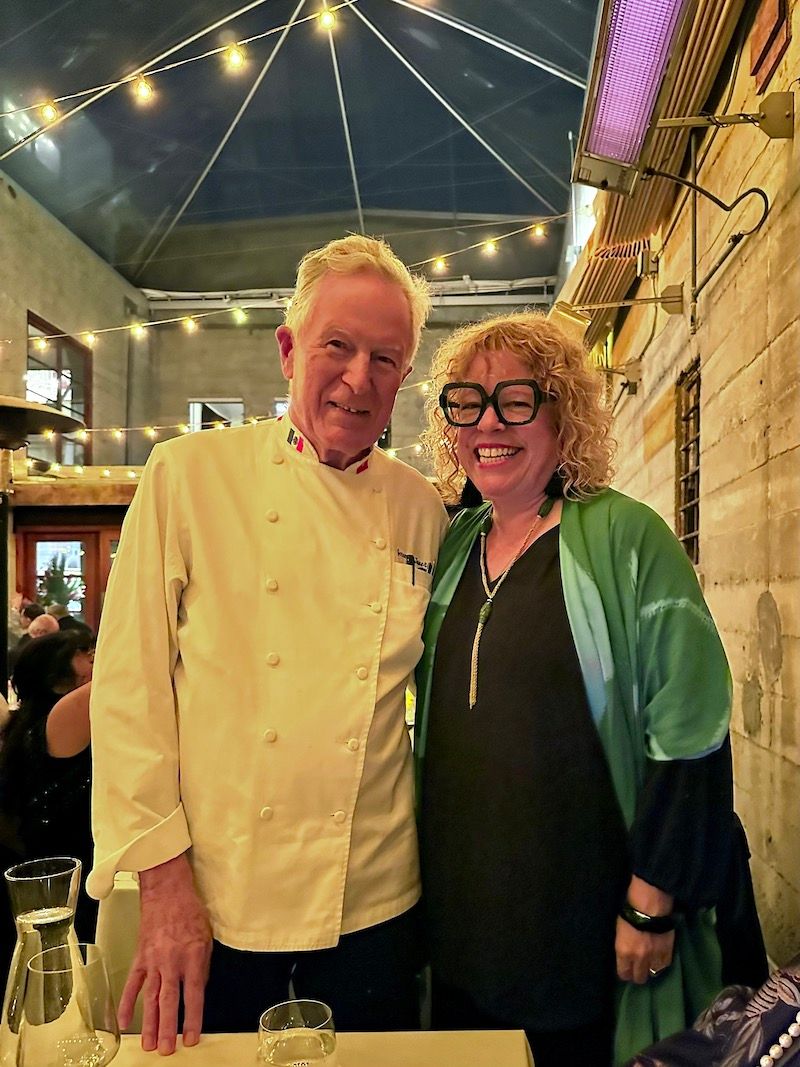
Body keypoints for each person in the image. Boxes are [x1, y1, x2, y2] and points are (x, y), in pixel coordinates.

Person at [87, 235, 448, 1055]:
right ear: (289, 350)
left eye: (386, 358)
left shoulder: (422, 506)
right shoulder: (186, 475)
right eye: (338, 346)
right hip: (214, 895)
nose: (359, 378)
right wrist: (163, 883)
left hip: (377, 896)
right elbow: (128, 691)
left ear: (405, 377)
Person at [414, 312, 766, 1067]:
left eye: (516, 399)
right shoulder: (451, 552)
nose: (489, 424)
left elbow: (690, 729)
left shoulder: (626, 537)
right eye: (466, 403)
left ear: (562, 412)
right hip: (467, 925)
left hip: (589, 925)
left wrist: (651, 898)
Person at [0, 631, 95, 937]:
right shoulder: (63, 715)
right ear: (55, 677)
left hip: (55, 868)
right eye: (82, 652)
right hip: (64, 876)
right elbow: (123, 677)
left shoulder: (29, 724)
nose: (93, 656)